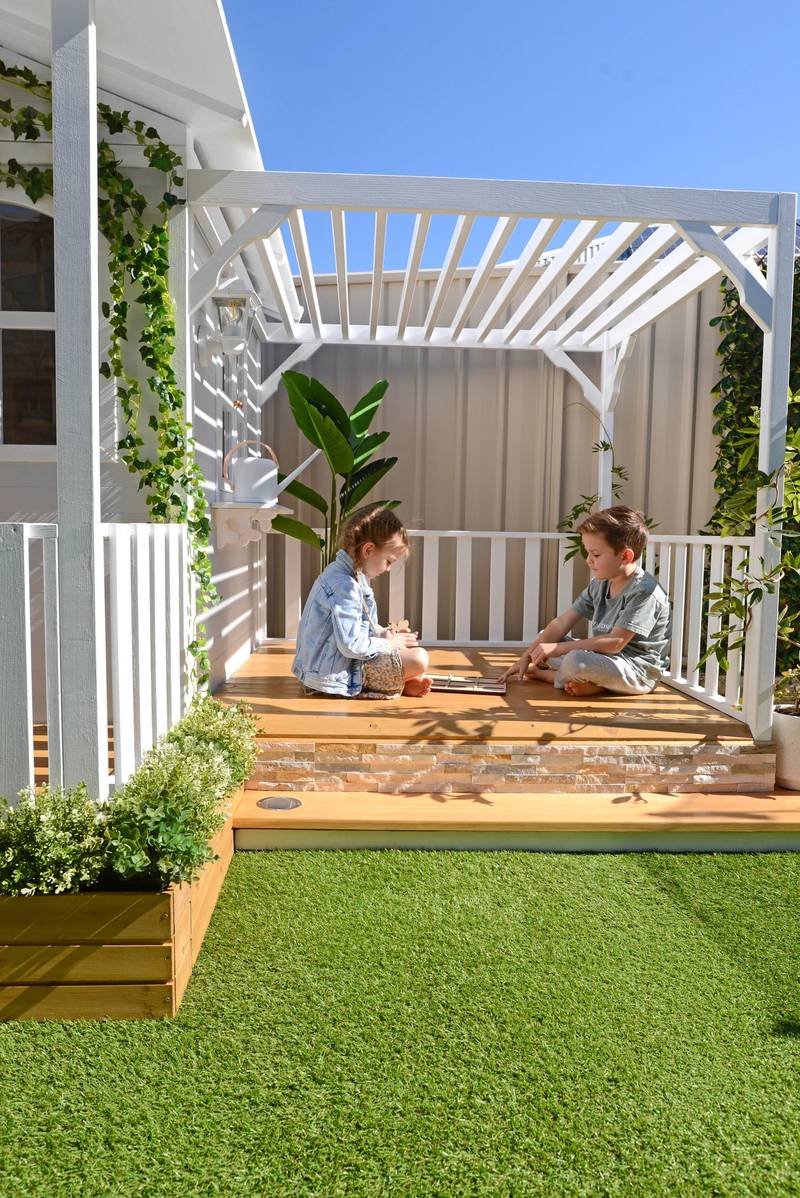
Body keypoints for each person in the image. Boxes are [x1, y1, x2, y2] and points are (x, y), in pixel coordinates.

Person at [499, 505, 670, 697]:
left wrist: (559, 649)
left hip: (636, 671)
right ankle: (594, 683)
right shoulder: (600, 584)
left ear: (625, 556)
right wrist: (526, 657)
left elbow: (615, 642)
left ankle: (550, 676)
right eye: (588, 553)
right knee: (545, 637)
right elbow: (561, 623)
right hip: (603, 660)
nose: (588, 560)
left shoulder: (644, 591)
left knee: (575, 660)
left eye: (595, 554)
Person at [292, 505, 432, 699]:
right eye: (389, 561)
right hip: (330, 678)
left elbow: (356, 630)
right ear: (368, 550)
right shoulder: (345, 586)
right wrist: (386, 643)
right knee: (419, 658)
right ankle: (395, 683)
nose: (388, 569)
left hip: (337, 665)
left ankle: (401, 682)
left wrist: (384, 634)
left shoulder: (350, 576)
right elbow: (351, 646)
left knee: (406, 649)